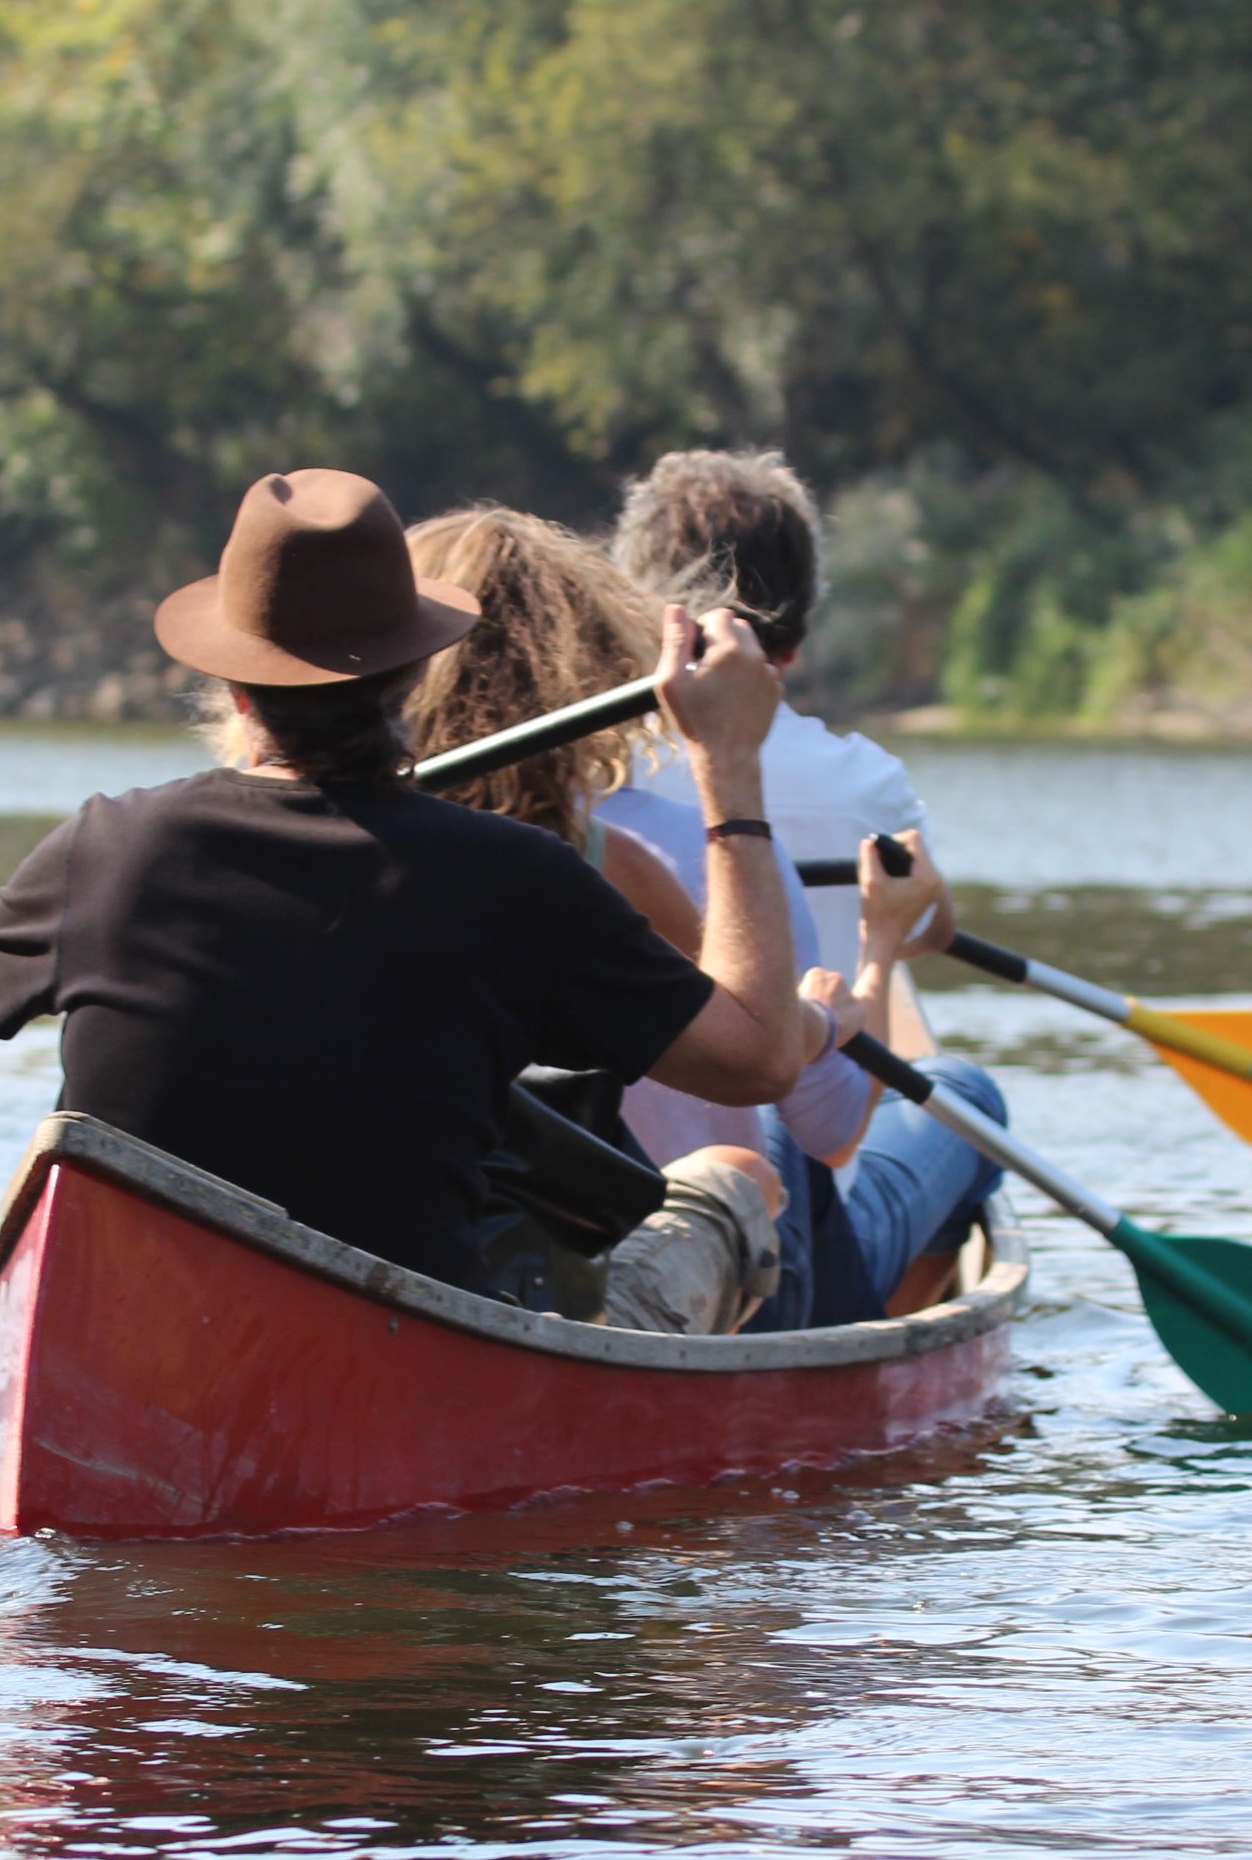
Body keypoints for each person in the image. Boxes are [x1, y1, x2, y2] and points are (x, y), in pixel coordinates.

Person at [0, 468, 819, 1303]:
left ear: (236, 688)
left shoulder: (109, 845)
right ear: (411, 677)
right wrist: (727, 766)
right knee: (735, 1183)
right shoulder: (518, 878)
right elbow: (760, 1057)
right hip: (401, 1342)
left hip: (133, 1317)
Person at [394, 504, 950, 1334]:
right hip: (602, 1277)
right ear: (582, 677)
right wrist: (845, 999)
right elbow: (793, 1086)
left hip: (444, 1257)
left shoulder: (330, 845)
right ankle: (876, 1331)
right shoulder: (607, 864)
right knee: (903, 1109)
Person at [602, 448, 1010, 1325]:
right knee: (965, 1091)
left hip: (624, 1194)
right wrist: (882, 943)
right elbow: (932, 926)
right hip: (794, 1183)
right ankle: (875, 1325)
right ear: (801, 614)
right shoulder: (868, 783)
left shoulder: (598, 776)